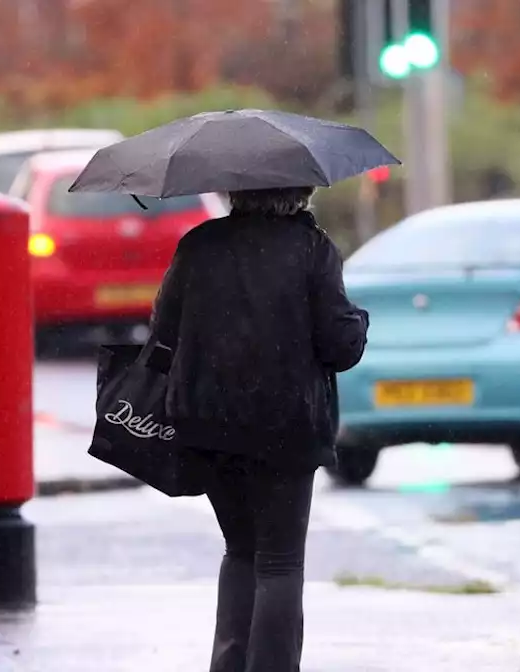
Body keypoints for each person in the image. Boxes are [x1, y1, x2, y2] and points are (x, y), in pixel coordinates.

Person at [148, 186, 369, 672]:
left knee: (240, 551)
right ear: (301, 191)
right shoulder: (312, 251)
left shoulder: (200, 244)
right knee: (280, 561)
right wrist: (359, 322)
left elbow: (162, 333)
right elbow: (341, 346)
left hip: (207, 424)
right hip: (286, 427)